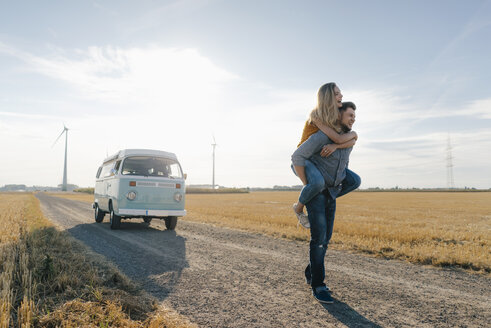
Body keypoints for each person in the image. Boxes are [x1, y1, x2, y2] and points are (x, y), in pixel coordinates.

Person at [291, 102, 360, 304]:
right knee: (319, 239)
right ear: (339, 117)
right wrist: (309, 186)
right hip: (317, 192)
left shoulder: (349, 137)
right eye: (350, 115)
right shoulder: (320, 136)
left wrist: (337, 145)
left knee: (326, 239)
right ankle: (318, 285)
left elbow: (351, 139)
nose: (353, 118)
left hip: (331, 191)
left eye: (355, 115)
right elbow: (297, 157)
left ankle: (312, 271)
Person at [292, 82, 358, 228]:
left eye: (340, 93)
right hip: (304, 160)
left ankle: (321, 197)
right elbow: (340, 138)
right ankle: (298, 208)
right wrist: (307, 185)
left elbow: (348, 141)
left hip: (319, 161)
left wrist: (342, 142)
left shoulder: (334, 118)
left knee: (354, 180)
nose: (341, 96)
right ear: (328, 97)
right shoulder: (317, 116)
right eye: (337, 93)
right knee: (316, 183)